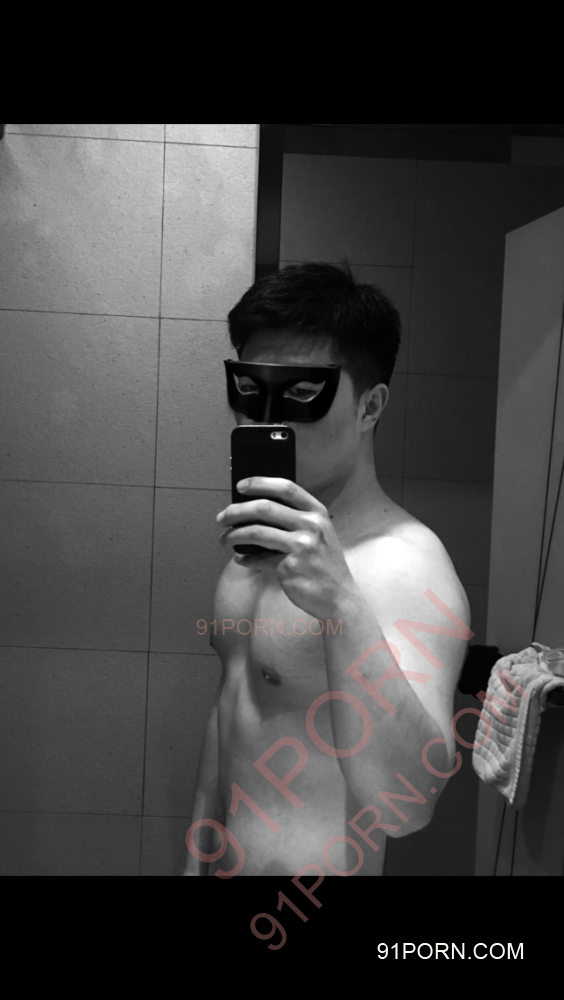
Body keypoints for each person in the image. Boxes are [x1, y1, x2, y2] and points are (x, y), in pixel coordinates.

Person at [184, 262, 471, 877]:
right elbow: (231, 717)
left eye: (299, 394)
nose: (265, 417)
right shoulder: (258, 549)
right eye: (248, 388)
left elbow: (409, 806)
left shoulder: (403, 565)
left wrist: (343, 605)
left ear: (370, 406)